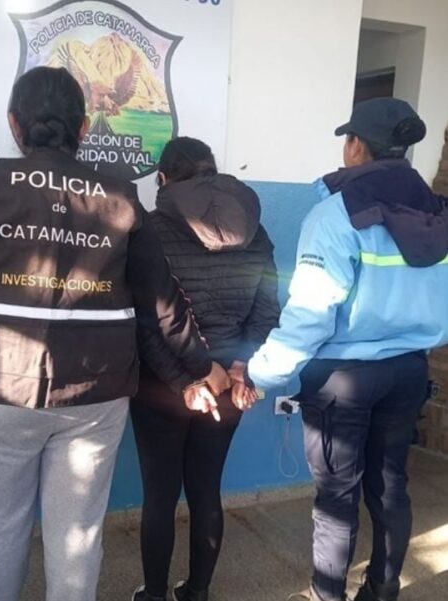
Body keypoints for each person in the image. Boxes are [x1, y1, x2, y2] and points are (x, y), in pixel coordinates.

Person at [0, 66, 229, 601]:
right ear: (83, 129)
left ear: (14, 124)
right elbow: (162, 304)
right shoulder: (122, 198)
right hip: (93, 395)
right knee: (77, 539)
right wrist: (202, 366)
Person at [247, 97, 445, 601]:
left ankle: (326, 594)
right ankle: (382, 590)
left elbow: (312, 312)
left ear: (356, 145)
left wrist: (262, 373)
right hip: (408, 372)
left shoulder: (336, 214)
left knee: (337, 497)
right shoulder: (438, 213)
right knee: (391, 485)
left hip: (344, 380)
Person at [130, 137, 280, 601]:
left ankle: (154, 595)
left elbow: (146, 323)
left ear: (162, 178)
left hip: (163, 385)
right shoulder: (255, 229)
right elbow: (267, 309)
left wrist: (185, 381)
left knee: (160, 496)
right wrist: (240, 367)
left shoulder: (150, 229)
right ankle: (197, 593)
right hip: (230, 387)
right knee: (206, 490)